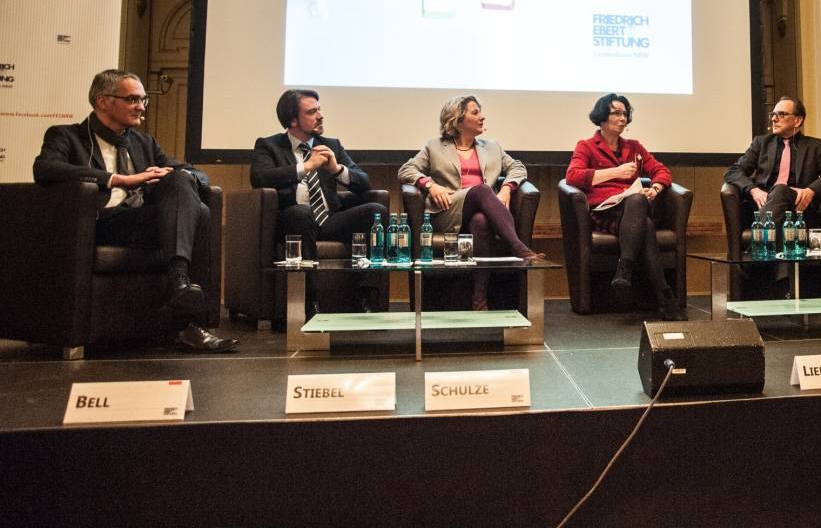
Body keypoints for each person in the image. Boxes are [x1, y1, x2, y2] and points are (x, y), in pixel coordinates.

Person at [32, 69, 237, 353]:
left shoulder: (144, 142)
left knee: (187, 191)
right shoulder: (67, 136)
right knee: (197, 214)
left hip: (142, 220)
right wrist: (118, 180)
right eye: (132, 100)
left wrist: (179, 175)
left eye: (143, 100)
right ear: (103, 101)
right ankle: (185, 320)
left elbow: (195, 172)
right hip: (101, 221)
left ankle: (180, 285)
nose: (141, 107)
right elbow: (45, 168)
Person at [397, 95, 542, 311]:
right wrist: (430, 185)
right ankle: (519, 248)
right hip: (448, 210)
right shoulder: (435, 147)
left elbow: (518, 167)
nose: (482, 117)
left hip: (482, 213)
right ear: (457, 119)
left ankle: (479, 297)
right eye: (475, 112)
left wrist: (506, 189)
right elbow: (406, 170)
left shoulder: (492, 147)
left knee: (481, 221)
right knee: (482, 190)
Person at [251, 89, 387, 315]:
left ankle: (367, 297)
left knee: (376, 211)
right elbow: (259, 178)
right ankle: (310, 301)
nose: (320, 115)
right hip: (293, 221)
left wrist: (336, 169)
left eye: (319, 109)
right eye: (312, 112)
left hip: (328, 219)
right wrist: (305, 167)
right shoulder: (269, 145)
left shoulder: (330, 145)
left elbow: (364, 182)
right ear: (293, 120)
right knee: (301, 213)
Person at [565, 93, 685, 321]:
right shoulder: (587, 146)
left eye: (625, 114)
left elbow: (662, 171)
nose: (623, 118)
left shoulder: (634, 147)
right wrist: (615, 173)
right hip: (606, 209)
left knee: (638, 200)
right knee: (646, 226)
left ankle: (624, 269)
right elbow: (573, 176)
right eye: (617, 113)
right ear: (602, 117)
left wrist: (656, 188)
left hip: (632, 209)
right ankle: (665, 297)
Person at [723, 96, 821, 297]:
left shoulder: (816, 146)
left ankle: (756, 250)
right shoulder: (761, 143)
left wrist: (810, 190)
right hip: (763, 206)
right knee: (778, 191)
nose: (774, 119)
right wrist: (753, 189)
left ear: (797, 120)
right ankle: (783, 282)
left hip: (799, 212)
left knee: (780, 190)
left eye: (781, 114)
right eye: (773, 114)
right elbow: (733, 171)